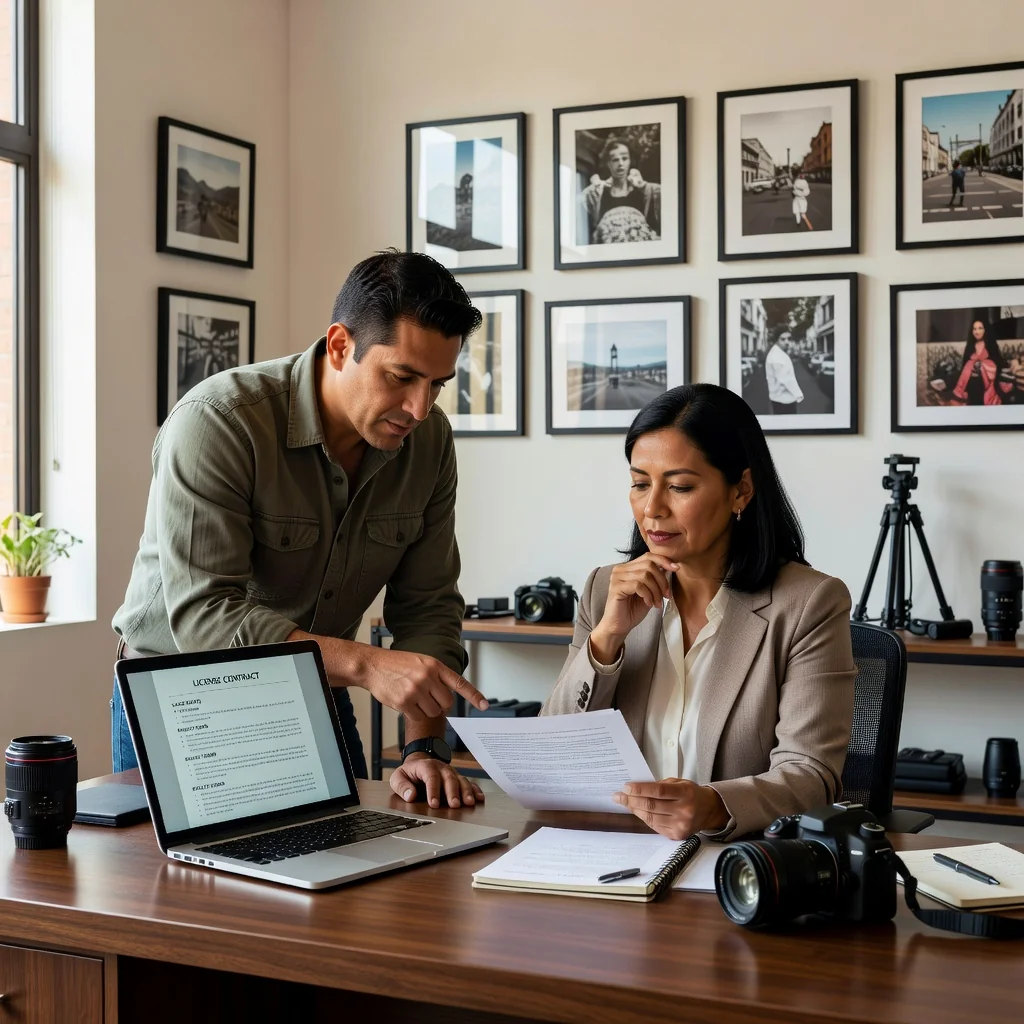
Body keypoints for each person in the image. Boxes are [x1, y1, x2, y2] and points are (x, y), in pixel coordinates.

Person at [112, 250, 491, 809]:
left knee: (355, 871)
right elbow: (203, 616)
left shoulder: (429, 441)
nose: (417, 407)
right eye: (401, 377)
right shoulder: (220, 420)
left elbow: (429, 605)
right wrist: (366, 665)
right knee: (191, 891)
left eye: (436, 384)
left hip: (318, 685)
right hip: (185, 696)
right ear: (340, 346)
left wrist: (425, 750)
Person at [541, 384, 856, 840]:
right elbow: (553, 757)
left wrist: (714, 806)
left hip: (735, 866)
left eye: (680, 486)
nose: (652, 509)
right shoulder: (603, 590)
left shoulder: (810, 604)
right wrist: (606, 639)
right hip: (612, 854)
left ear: (740, 490)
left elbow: (812, 774)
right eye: (640, 484)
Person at [578, 137, 661, 244]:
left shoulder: (645, 191)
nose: (620, 163)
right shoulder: (598, 193)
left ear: (630, 160)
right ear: (608, 163)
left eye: (625, 158)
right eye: (615, 160)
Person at [951, 318, 1012, 406]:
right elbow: (964, 367)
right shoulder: (970, 346)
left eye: (980, 328)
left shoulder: (991, 345)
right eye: (974, 329)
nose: (977, 331)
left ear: (985, 330)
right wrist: (972, 365)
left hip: (986, 382)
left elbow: (997, 362)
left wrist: (982, 365)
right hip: (971, 381)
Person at [764, 337, 804, 415]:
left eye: (789, 339)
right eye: (783, 339)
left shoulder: (779, 353)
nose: (787, 342)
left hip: (782, 399)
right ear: (776, 340)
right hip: (783, 401)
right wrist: (798, 395)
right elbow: (784, 379)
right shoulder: (776, 355)